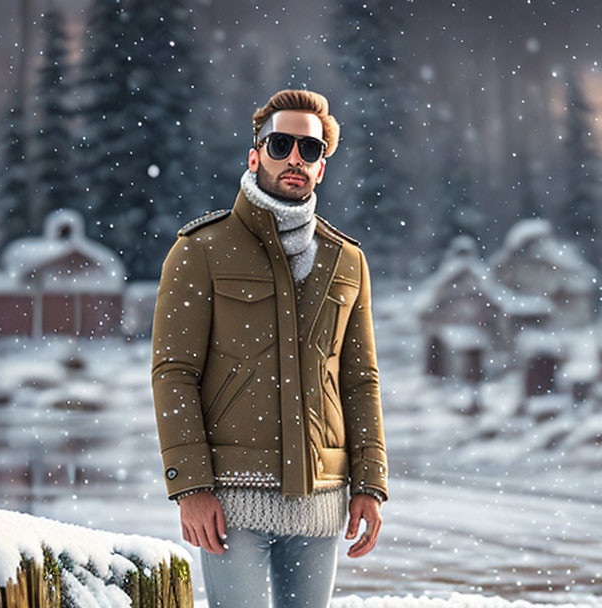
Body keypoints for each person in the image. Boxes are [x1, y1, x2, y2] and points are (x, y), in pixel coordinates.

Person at [150, 89, 389, 608]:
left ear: (322, 166)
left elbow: (359, 381)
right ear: (256, 154)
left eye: (310, 148)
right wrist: (191, 487)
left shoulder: (347, 261)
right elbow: (174, 374)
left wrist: (369, 484)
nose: (295, 159)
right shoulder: (200, 250)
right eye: (281, 144)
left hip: (323, 502)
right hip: (231, 502)